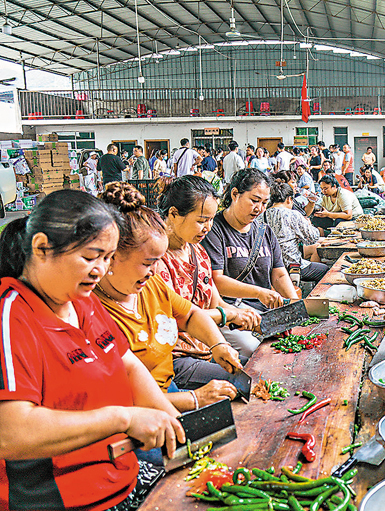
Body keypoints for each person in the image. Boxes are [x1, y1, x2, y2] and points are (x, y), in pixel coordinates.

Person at [0, 189, 184, 511]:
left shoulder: (84, 302)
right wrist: (124, 418)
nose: (100, 269)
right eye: (90, 257)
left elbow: (128, 365)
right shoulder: (12, 317)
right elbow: (12, 433)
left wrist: (176, 424)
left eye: (108, 257)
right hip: (61, 503)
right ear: (41, 248)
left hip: (119, 478)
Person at [95, 183, 243, 414]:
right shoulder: (92, 312)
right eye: (147, 263)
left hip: (169, 389)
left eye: (157, 261)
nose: (155, 270)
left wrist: (219, 344)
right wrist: (194, 399)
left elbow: (190, 314)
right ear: (111, 257)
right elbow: (123, 400)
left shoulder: (151, 286)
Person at [155, 176, 262, 365]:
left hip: (205, 350)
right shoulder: (155, 259)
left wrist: (249, 318)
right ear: (173, 214)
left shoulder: (198, 252)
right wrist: (230, 315)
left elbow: (216, 302)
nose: (208, 228)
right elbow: (176, 318)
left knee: (259, 365)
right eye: (201, 220)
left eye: (211, 220)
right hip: (175, 358)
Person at [201, 169, 297, 311]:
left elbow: (279, 274)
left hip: (264, 310)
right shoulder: (214, 230)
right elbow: (216, 280)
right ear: (235, 194)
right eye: (255, 200)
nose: (259, 208)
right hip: (232, 311)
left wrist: (295, 303)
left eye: (264, 203)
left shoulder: (265, 231)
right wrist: (258, 293)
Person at [264, 182, 328, 288]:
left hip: (269, 266)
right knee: (324, 270)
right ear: (289, 199)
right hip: (291, 266)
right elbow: (312, 238)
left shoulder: (262, 215)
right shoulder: (293, 214)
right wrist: (308, 225)